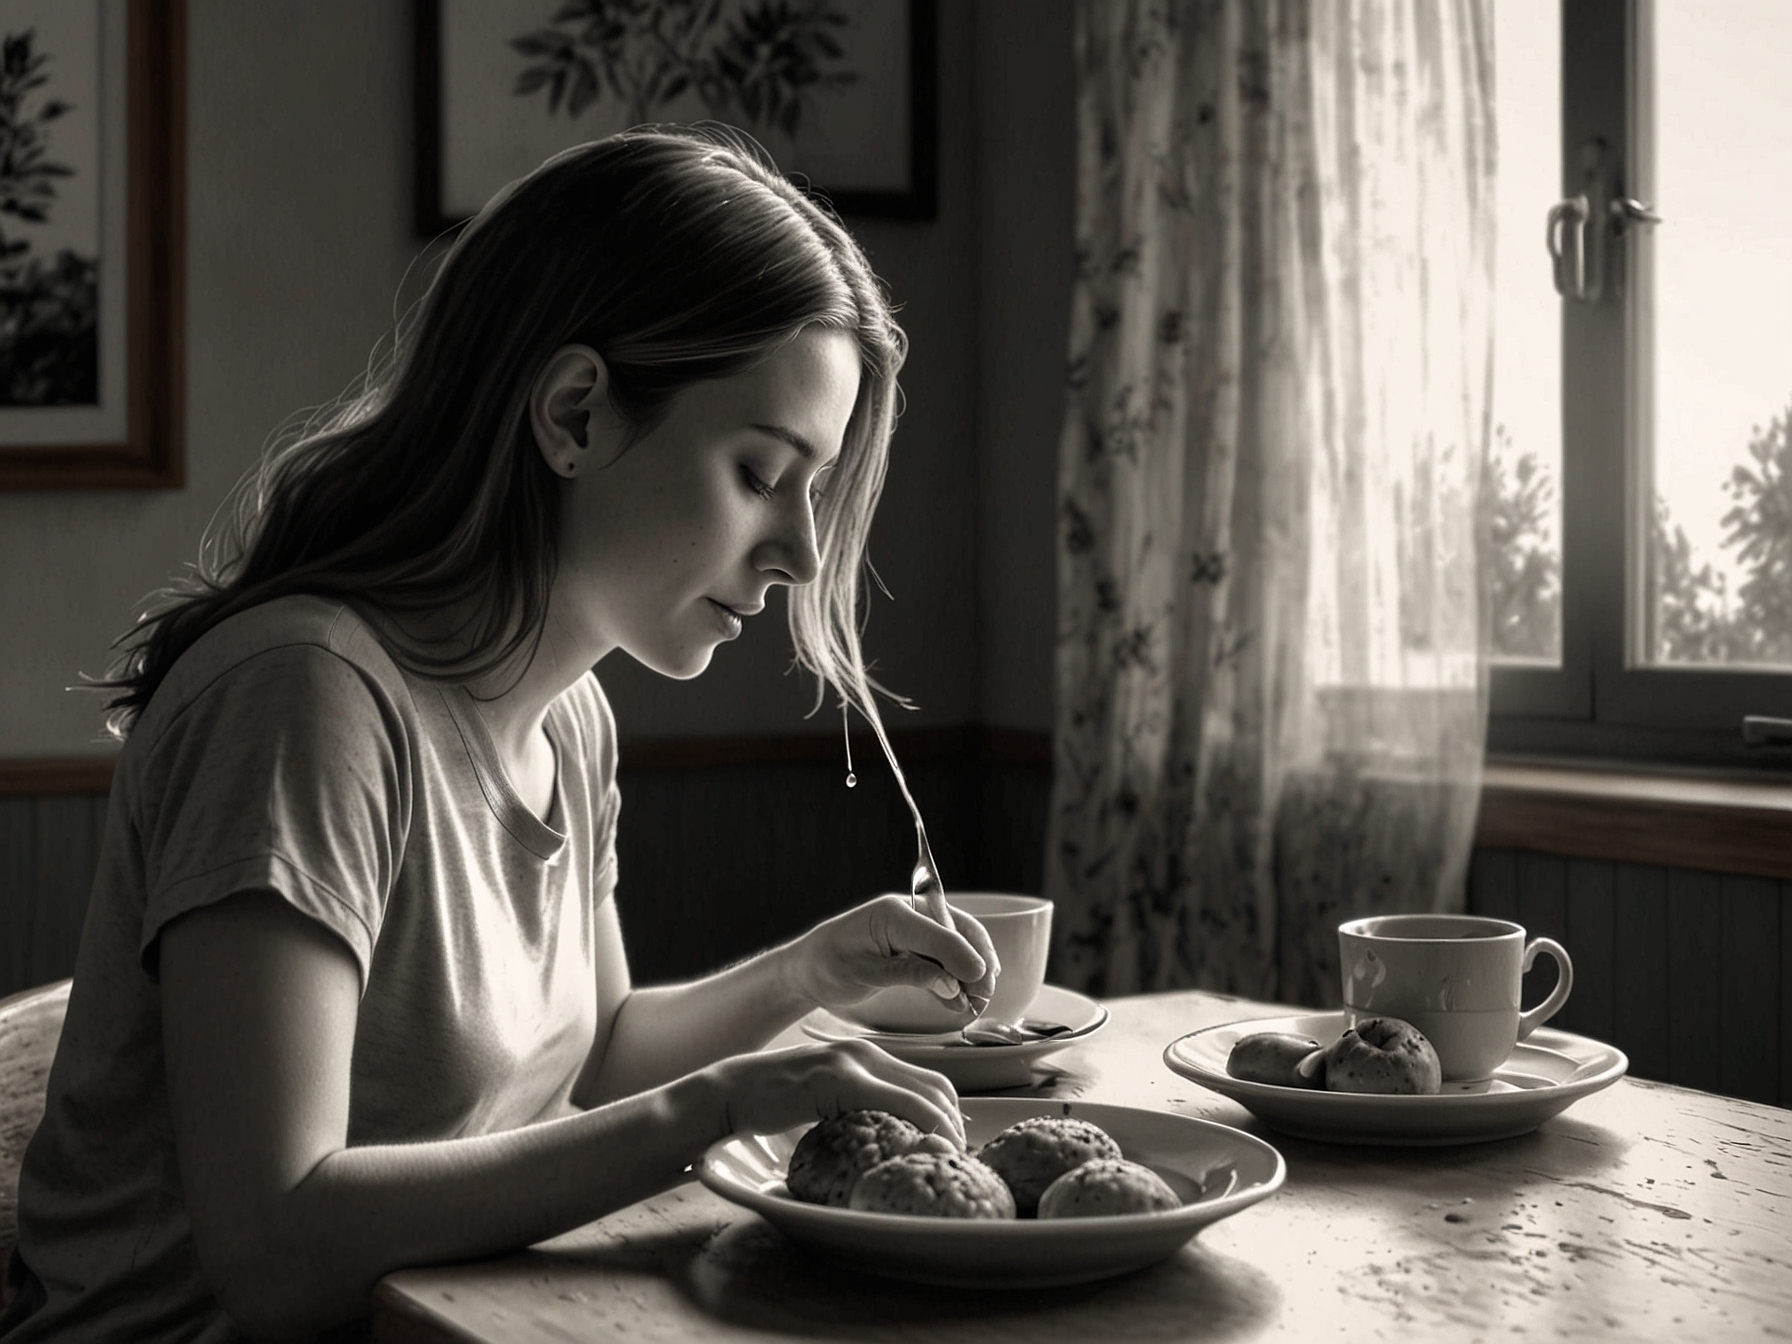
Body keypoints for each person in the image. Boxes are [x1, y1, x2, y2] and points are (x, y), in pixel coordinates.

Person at [0, 124, 999, 1343]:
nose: (799, 553)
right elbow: (272, 1248)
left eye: (814, 489)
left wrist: (808, 977)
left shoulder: (569, 716)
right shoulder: (305, 698)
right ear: (574, 412)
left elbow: (593, 1066)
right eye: (759, 472)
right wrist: (722, 1106)